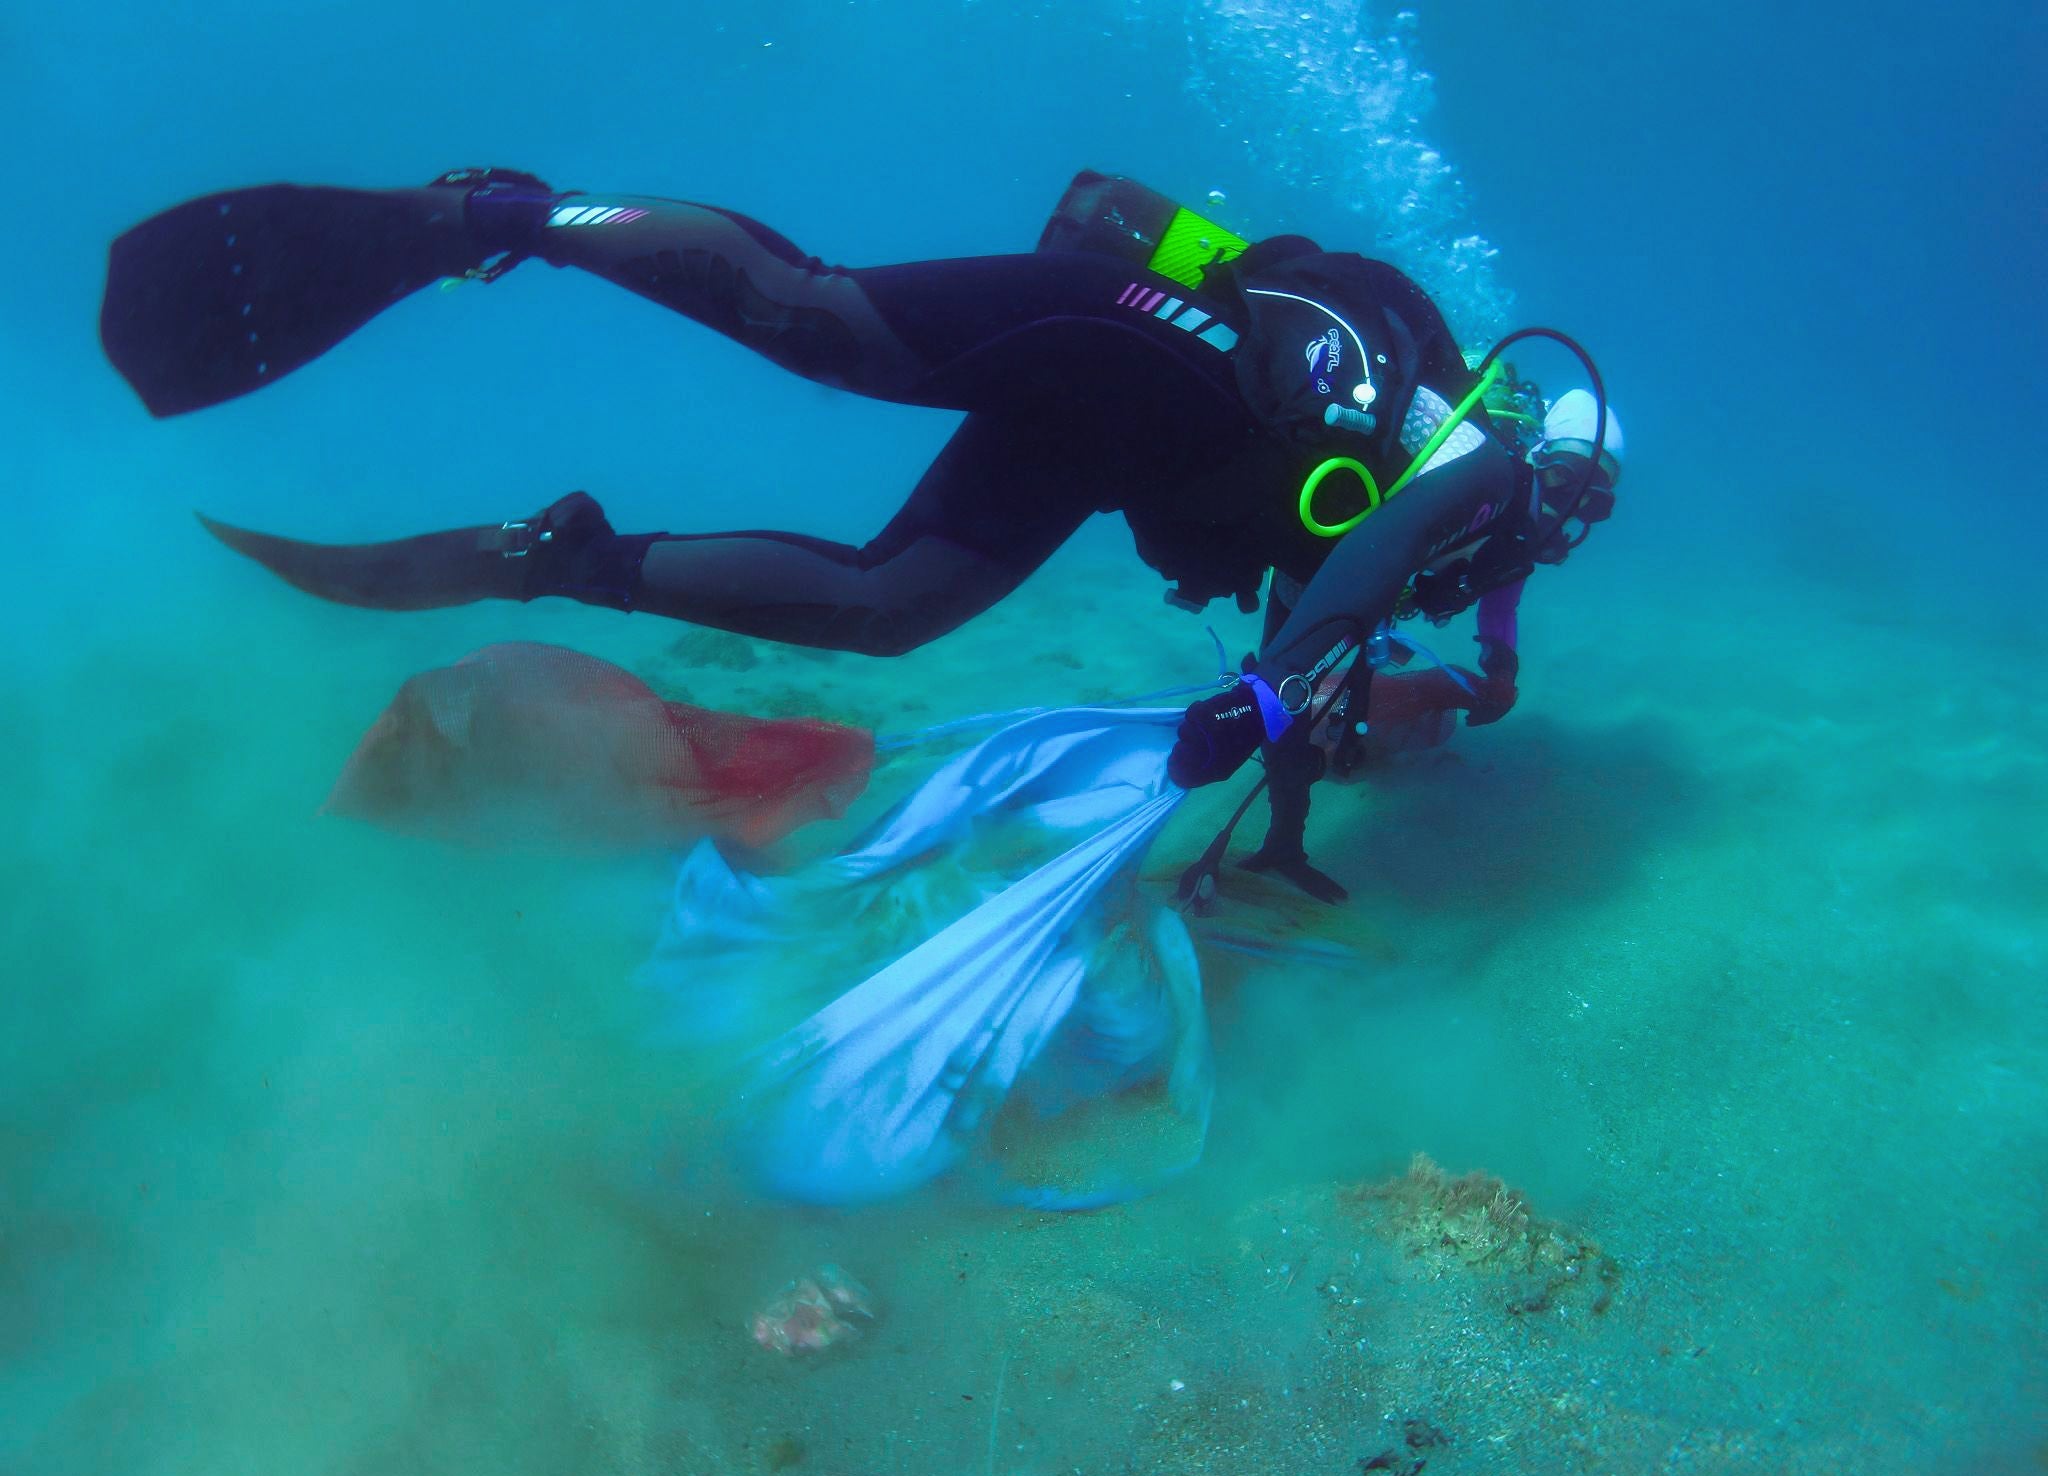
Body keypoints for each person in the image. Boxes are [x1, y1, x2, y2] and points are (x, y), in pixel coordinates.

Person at [100, 168, 1622, 900]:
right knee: (822, 326)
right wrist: (1277, 690)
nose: (1565, 525)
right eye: (1578, 493)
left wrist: (1284, 836)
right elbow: (1349, 587)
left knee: (893, 605)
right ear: (1551, 449)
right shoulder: (1477, 465)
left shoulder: (1456, 530)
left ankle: (566, 554)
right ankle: (506, 217)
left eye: (1583, 511)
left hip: (1112, 438)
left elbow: (1325, 616)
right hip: (1138, 348)